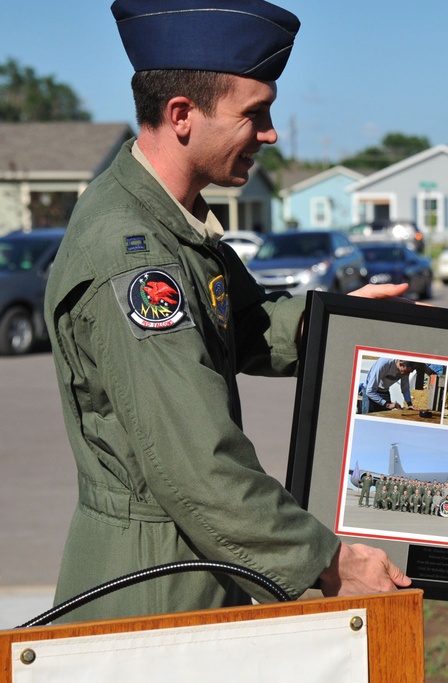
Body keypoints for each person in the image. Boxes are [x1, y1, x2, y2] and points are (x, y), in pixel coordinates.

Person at [43, 0, 411, 622]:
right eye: (255, 114)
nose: (269, 133)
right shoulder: (134, 255)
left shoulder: (166, 220)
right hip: (154, 590)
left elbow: (243, 327)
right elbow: (199, 467)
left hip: (192, 564)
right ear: (182, 116)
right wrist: (329, 561)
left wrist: (347, 325)